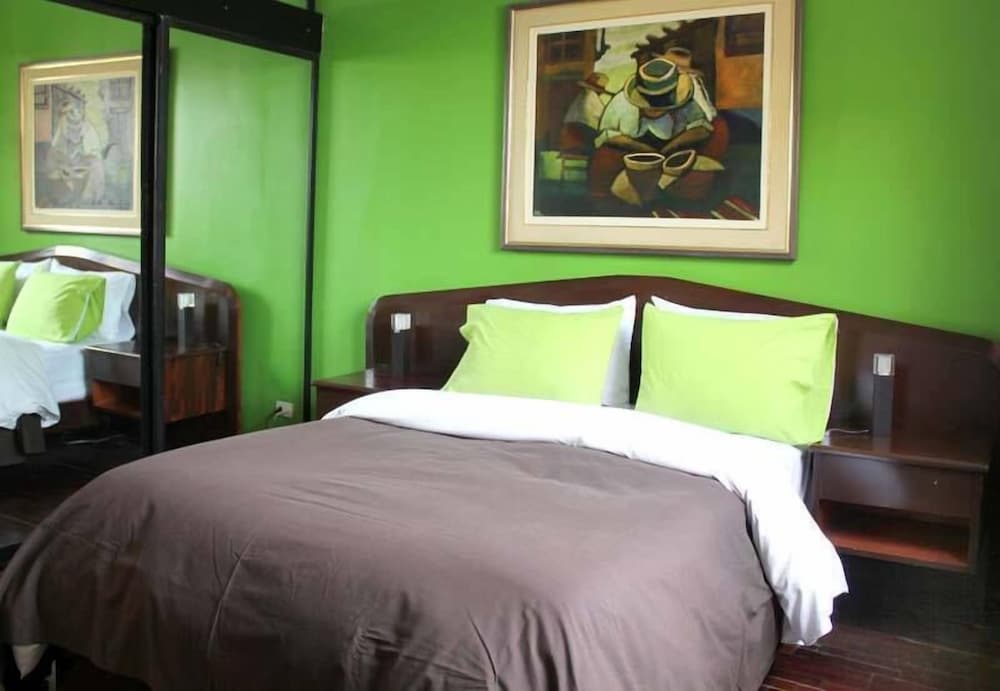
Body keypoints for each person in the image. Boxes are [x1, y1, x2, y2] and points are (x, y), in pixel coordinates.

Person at [589, 56, 727, 203]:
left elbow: (702, 128)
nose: (655, 109)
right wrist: (641, 148)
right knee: (606, 164)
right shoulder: (621, 103)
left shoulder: (685, 101)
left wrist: (673, 145)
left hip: (673, 156)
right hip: (630, 154)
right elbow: (607, 135)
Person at [559, 72, 611, 155]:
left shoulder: (583, 95)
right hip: (582, 129)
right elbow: (603, 115)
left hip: (573, 127)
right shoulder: (591, 96)